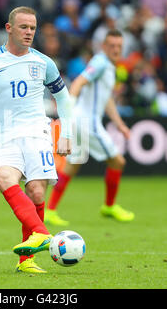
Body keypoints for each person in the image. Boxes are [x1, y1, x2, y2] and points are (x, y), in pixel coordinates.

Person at [0, 6, 73, 274]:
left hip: (37, 133)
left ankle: (27, 261)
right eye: (23, 27)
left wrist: (67, 133)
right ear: (9, 28)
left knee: (36, 191)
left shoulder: (43, 62)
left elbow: (63, 98)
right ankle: (43, 234)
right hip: (5, 135)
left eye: (33, 28)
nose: (29, 33)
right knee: (2, 179)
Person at [45, 29, 134, 226]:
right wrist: (68, 108)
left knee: (72, 165)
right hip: (88, 124)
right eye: (111, 46)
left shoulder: (109, 67)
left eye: (119, 46)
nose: (115, 49)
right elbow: (79, 82)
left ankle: (49, 211)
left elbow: (107, 100)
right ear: (103, 46)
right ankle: (109, 206)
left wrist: (120, 125)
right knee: (118, 162)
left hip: (80, 122)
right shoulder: (100, 63)